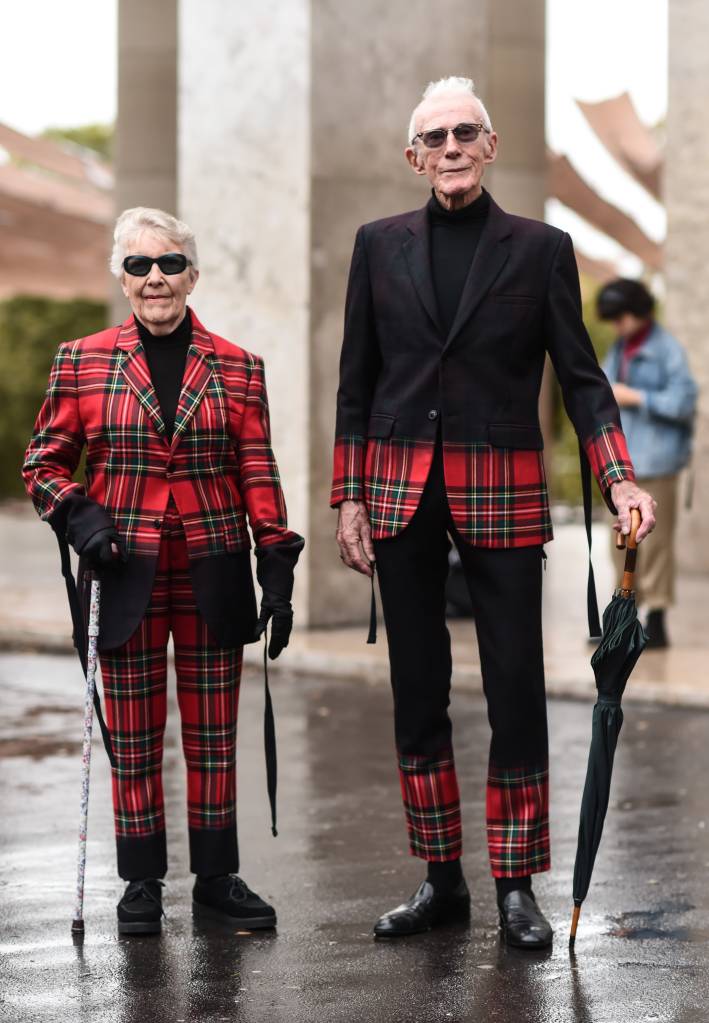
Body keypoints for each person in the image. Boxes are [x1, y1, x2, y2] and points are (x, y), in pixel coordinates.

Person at [331, 77, 656, 949]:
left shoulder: (540, 248)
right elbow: (354, 382)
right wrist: (348, 495)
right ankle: (440, 878)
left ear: (490, 143)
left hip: (501, 493)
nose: (448, 147)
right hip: (399, 493)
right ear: (412, 155)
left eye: (463, 132)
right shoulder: (377, 245)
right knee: (417, 693)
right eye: (433, 136)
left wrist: (618, 478)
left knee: (514, 688)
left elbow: (584, 382)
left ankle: (514, 884)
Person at [23, 207, 303, 935]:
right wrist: (78, 514)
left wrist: (276, 559)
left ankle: (216, 877)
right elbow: (43, 463)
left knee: (213, 736)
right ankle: (140, 881)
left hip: (211, 566)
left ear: (192, 274)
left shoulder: (239, 366)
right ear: (121, 277)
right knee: (138, 736)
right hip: (123, 569)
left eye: (170, 263)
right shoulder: (80, 360)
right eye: (140, 265)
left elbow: (255, 469)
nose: (156, 278)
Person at [597, 279, 697, 648]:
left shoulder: (666, 349)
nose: (617, 325)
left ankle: (656, 622)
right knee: (620, 543)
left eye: (621, 317)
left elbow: (684, 403)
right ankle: (624, 621)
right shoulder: (620, 348)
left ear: (639, 313)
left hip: (657, 463)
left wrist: (636, 397)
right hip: (625, 465)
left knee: (654, 547)